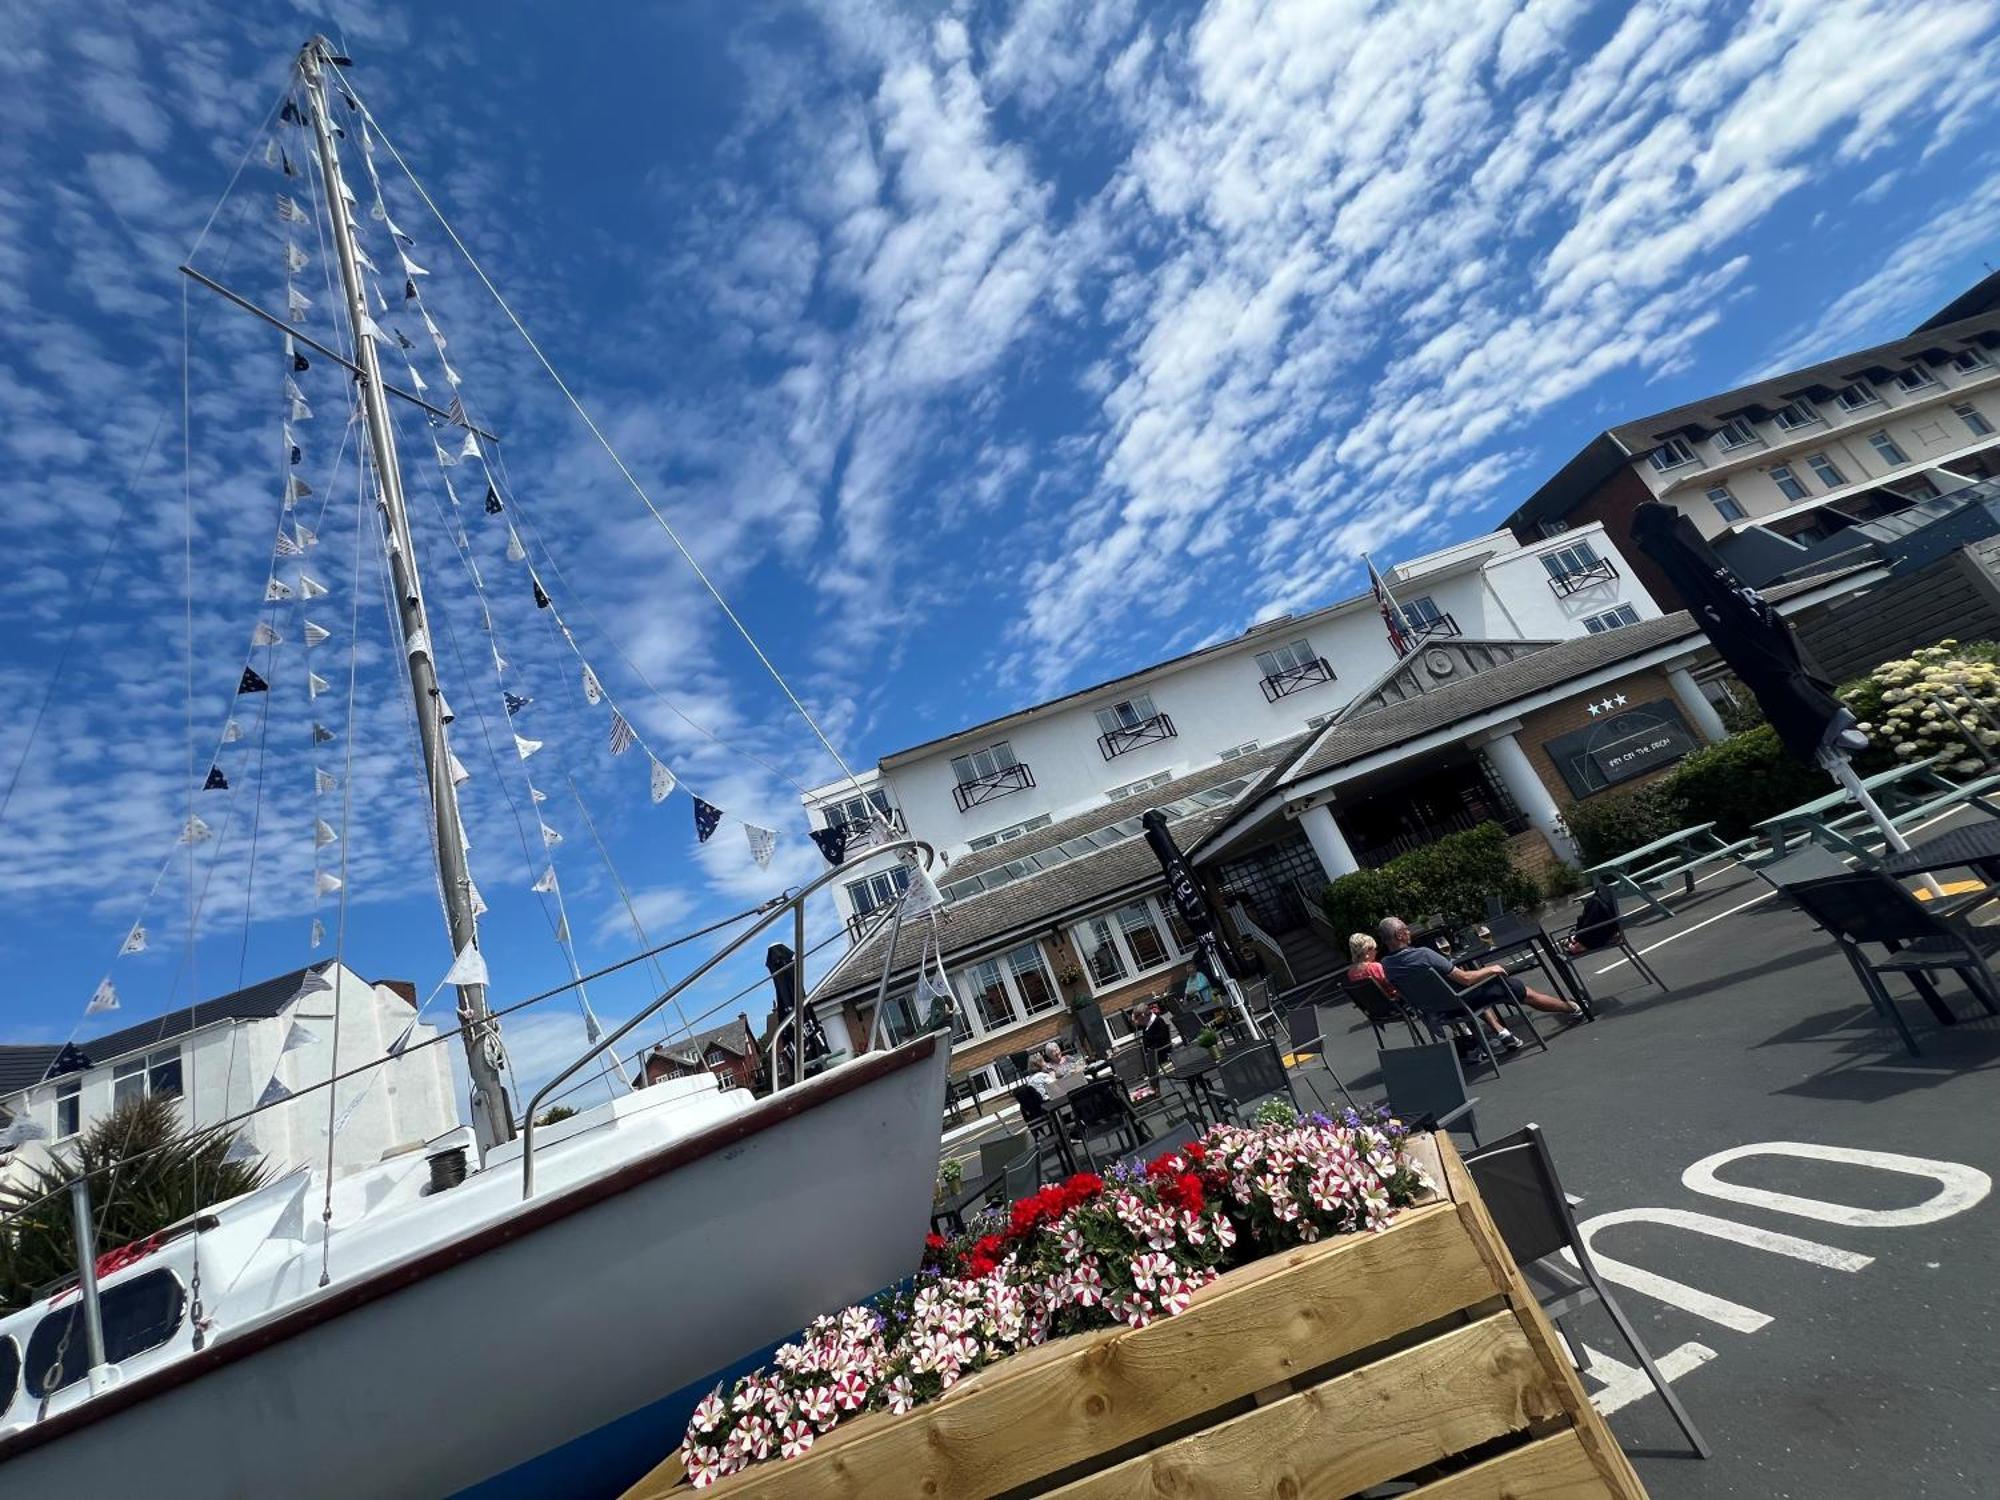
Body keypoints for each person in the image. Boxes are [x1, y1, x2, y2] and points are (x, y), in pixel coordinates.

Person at [1376, 915, 1582, 1054]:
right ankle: (1572, 1008)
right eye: (1405, 929)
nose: (1409, 932)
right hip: (1462, 1001)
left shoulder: (1386, 965)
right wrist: (1490, 969)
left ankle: (1503, 1033)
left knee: (1469, 990)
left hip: (1439, 1011)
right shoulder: (1424, 954)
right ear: (1399, 935)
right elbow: (1465, 979)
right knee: (1516, 988)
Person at [1565, 884, 1623, 956]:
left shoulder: (1597, 900)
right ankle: (1578, 942)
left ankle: (1578, 944)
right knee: (1590, 919)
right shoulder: (1602, 898)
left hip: (1598, 936)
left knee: (1588, 922)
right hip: (1604, 929)